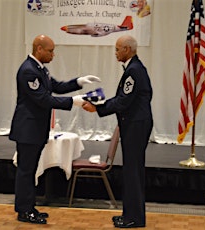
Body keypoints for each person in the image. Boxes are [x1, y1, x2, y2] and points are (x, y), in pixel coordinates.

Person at [9, 34, 100, 224]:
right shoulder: (28, 71)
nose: (53, 54)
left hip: (35, 128)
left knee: (30, 170)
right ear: (39, 49)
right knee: (26, 171)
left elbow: (56, 87)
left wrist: (78, 82)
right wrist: (73, 102)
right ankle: (24, 211)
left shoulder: (40, 69)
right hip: (28, 129)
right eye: (50, 51)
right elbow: (43, 99)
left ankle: (29, 207)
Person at [82, 35, 153, 228]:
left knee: (133, 172)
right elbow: (124, 98)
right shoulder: (134, 68)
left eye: (118, 49)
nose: (115, 52)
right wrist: (101, 104)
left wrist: (98, 108)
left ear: (127, 50)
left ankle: (134, 218)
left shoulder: (134, 71)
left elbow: (123, 101)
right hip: (135, 124)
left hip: (136, 126)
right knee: (131, 171)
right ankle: (129, 214)